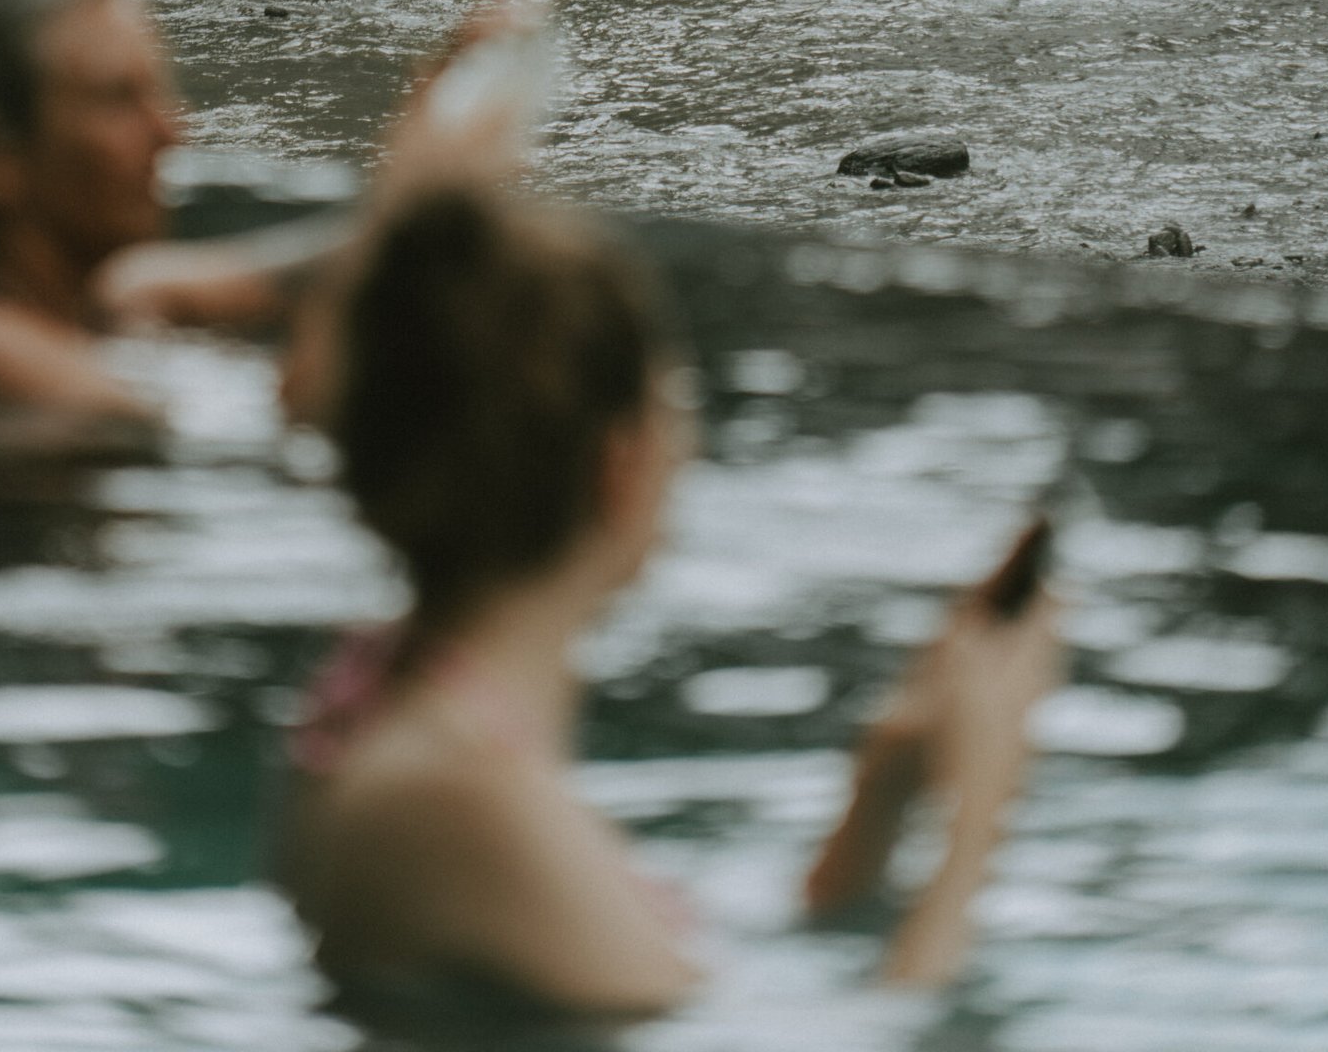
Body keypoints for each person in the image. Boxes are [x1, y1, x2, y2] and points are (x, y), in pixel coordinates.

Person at [277, 176, 1060, 1016]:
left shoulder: (402, 714)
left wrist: (883, 788)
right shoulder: (458, 796)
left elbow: (705, 997)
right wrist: (976, 823)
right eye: (676, 408)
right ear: (619, 467)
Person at [0, 0, 336, 447]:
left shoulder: (115, 300)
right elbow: (200, 439)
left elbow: (354, 257)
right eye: (117, 98)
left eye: (154, 90)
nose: (170, 131)